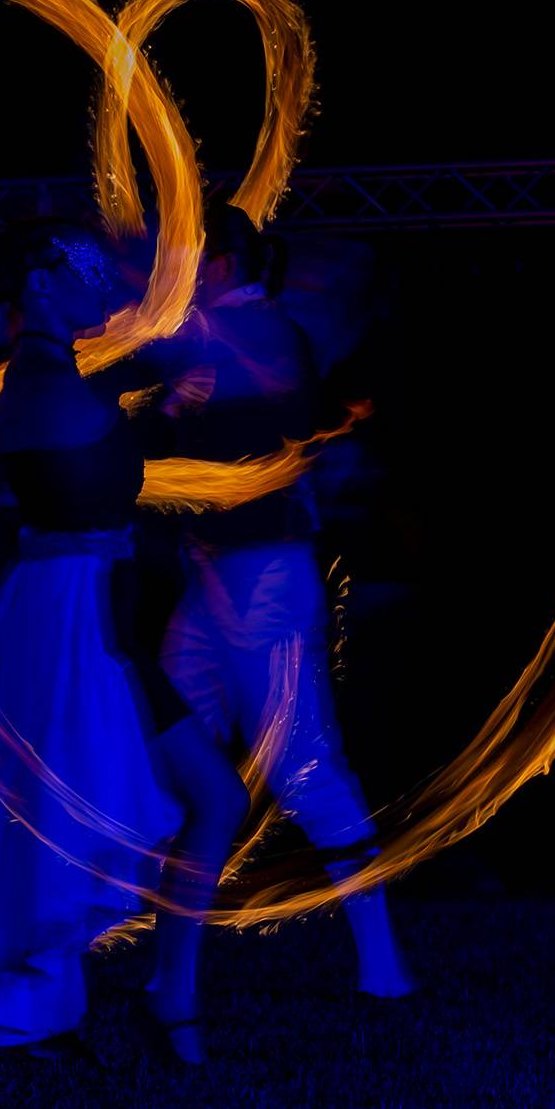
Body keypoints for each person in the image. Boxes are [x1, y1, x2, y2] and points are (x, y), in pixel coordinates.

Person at [0, 219, 249, 1064]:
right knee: (85, 807)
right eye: (80, 268)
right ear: (38, 286)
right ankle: (38, 1012)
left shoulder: (53, 378)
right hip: (74, 618)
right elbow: (96, 477)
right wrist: (178, 390)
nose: (100, 283)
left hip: (85, 614)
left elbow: (103, 469)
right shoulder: (38, 383)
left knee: (208, 799)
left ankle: (162, 995)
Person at [153, 199, 418, 999]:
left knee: (304, 772)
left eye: (184, 260)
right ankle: (162, 970)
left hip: (264, 582)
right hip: (213, 580)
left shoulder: (255, 332)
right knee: (170, 754)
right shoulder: (222, 336)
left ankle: (383, 968)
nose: (171, 276)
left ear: (220, 265)